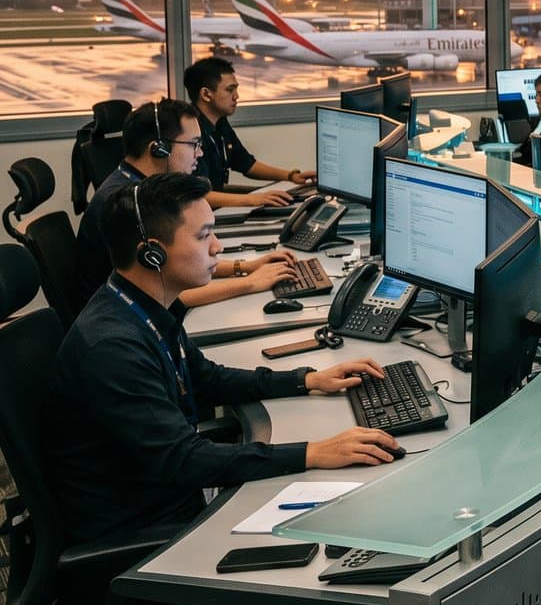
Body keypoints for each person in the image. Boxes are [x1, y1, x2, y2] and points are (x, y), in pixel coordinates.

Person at [47, 172, 404, 546]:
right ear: (152, 253)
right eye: (203, 236)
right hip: (141, 531)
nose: (217, 247)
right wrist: (313, 452)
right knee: (344, 525)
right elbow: (185, 460)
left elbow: (207, 379)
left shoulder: (139, 307)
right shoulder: (113, 348)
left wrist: (307, 379)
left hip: (160, 494)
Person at [76, 99, 296, 304]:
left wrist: (246, 266)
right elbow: (165, 295)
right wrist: (251, 282)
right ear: (159, 148)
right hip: (123, 317)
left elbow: (177, 266)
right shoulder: (133, 204)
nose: (199, 154)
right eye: (193, 144)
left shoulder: (139, 187)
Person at [184, 56, 311, 210]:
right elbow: (198, 195)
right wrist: (253, 199)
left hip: (212, 204)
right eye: (230, 90)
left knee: (282, 200)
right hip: (199, 211)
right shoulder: (190, 133)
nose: (236, 96)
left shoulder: (219, 123)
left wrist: (290, 176)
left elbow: (247, 165)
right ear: (206, 94)